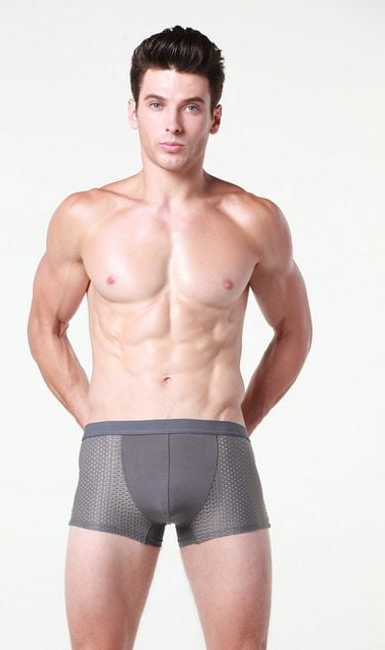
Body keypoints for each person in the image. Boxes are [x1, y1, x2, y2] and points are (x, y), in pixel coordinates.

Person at [27, 24, 312, 650]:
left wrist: (240, 423)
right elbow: (45, 326)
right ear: (133, 111)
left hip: (220, 458)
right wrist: (94, 419)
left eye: (191, 107)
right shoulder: (85, 216)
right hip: (112, 459)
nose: (173, 124)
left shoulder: (254, 219)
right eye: (157, 104)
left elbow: (293, 331)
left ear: (216, 117)